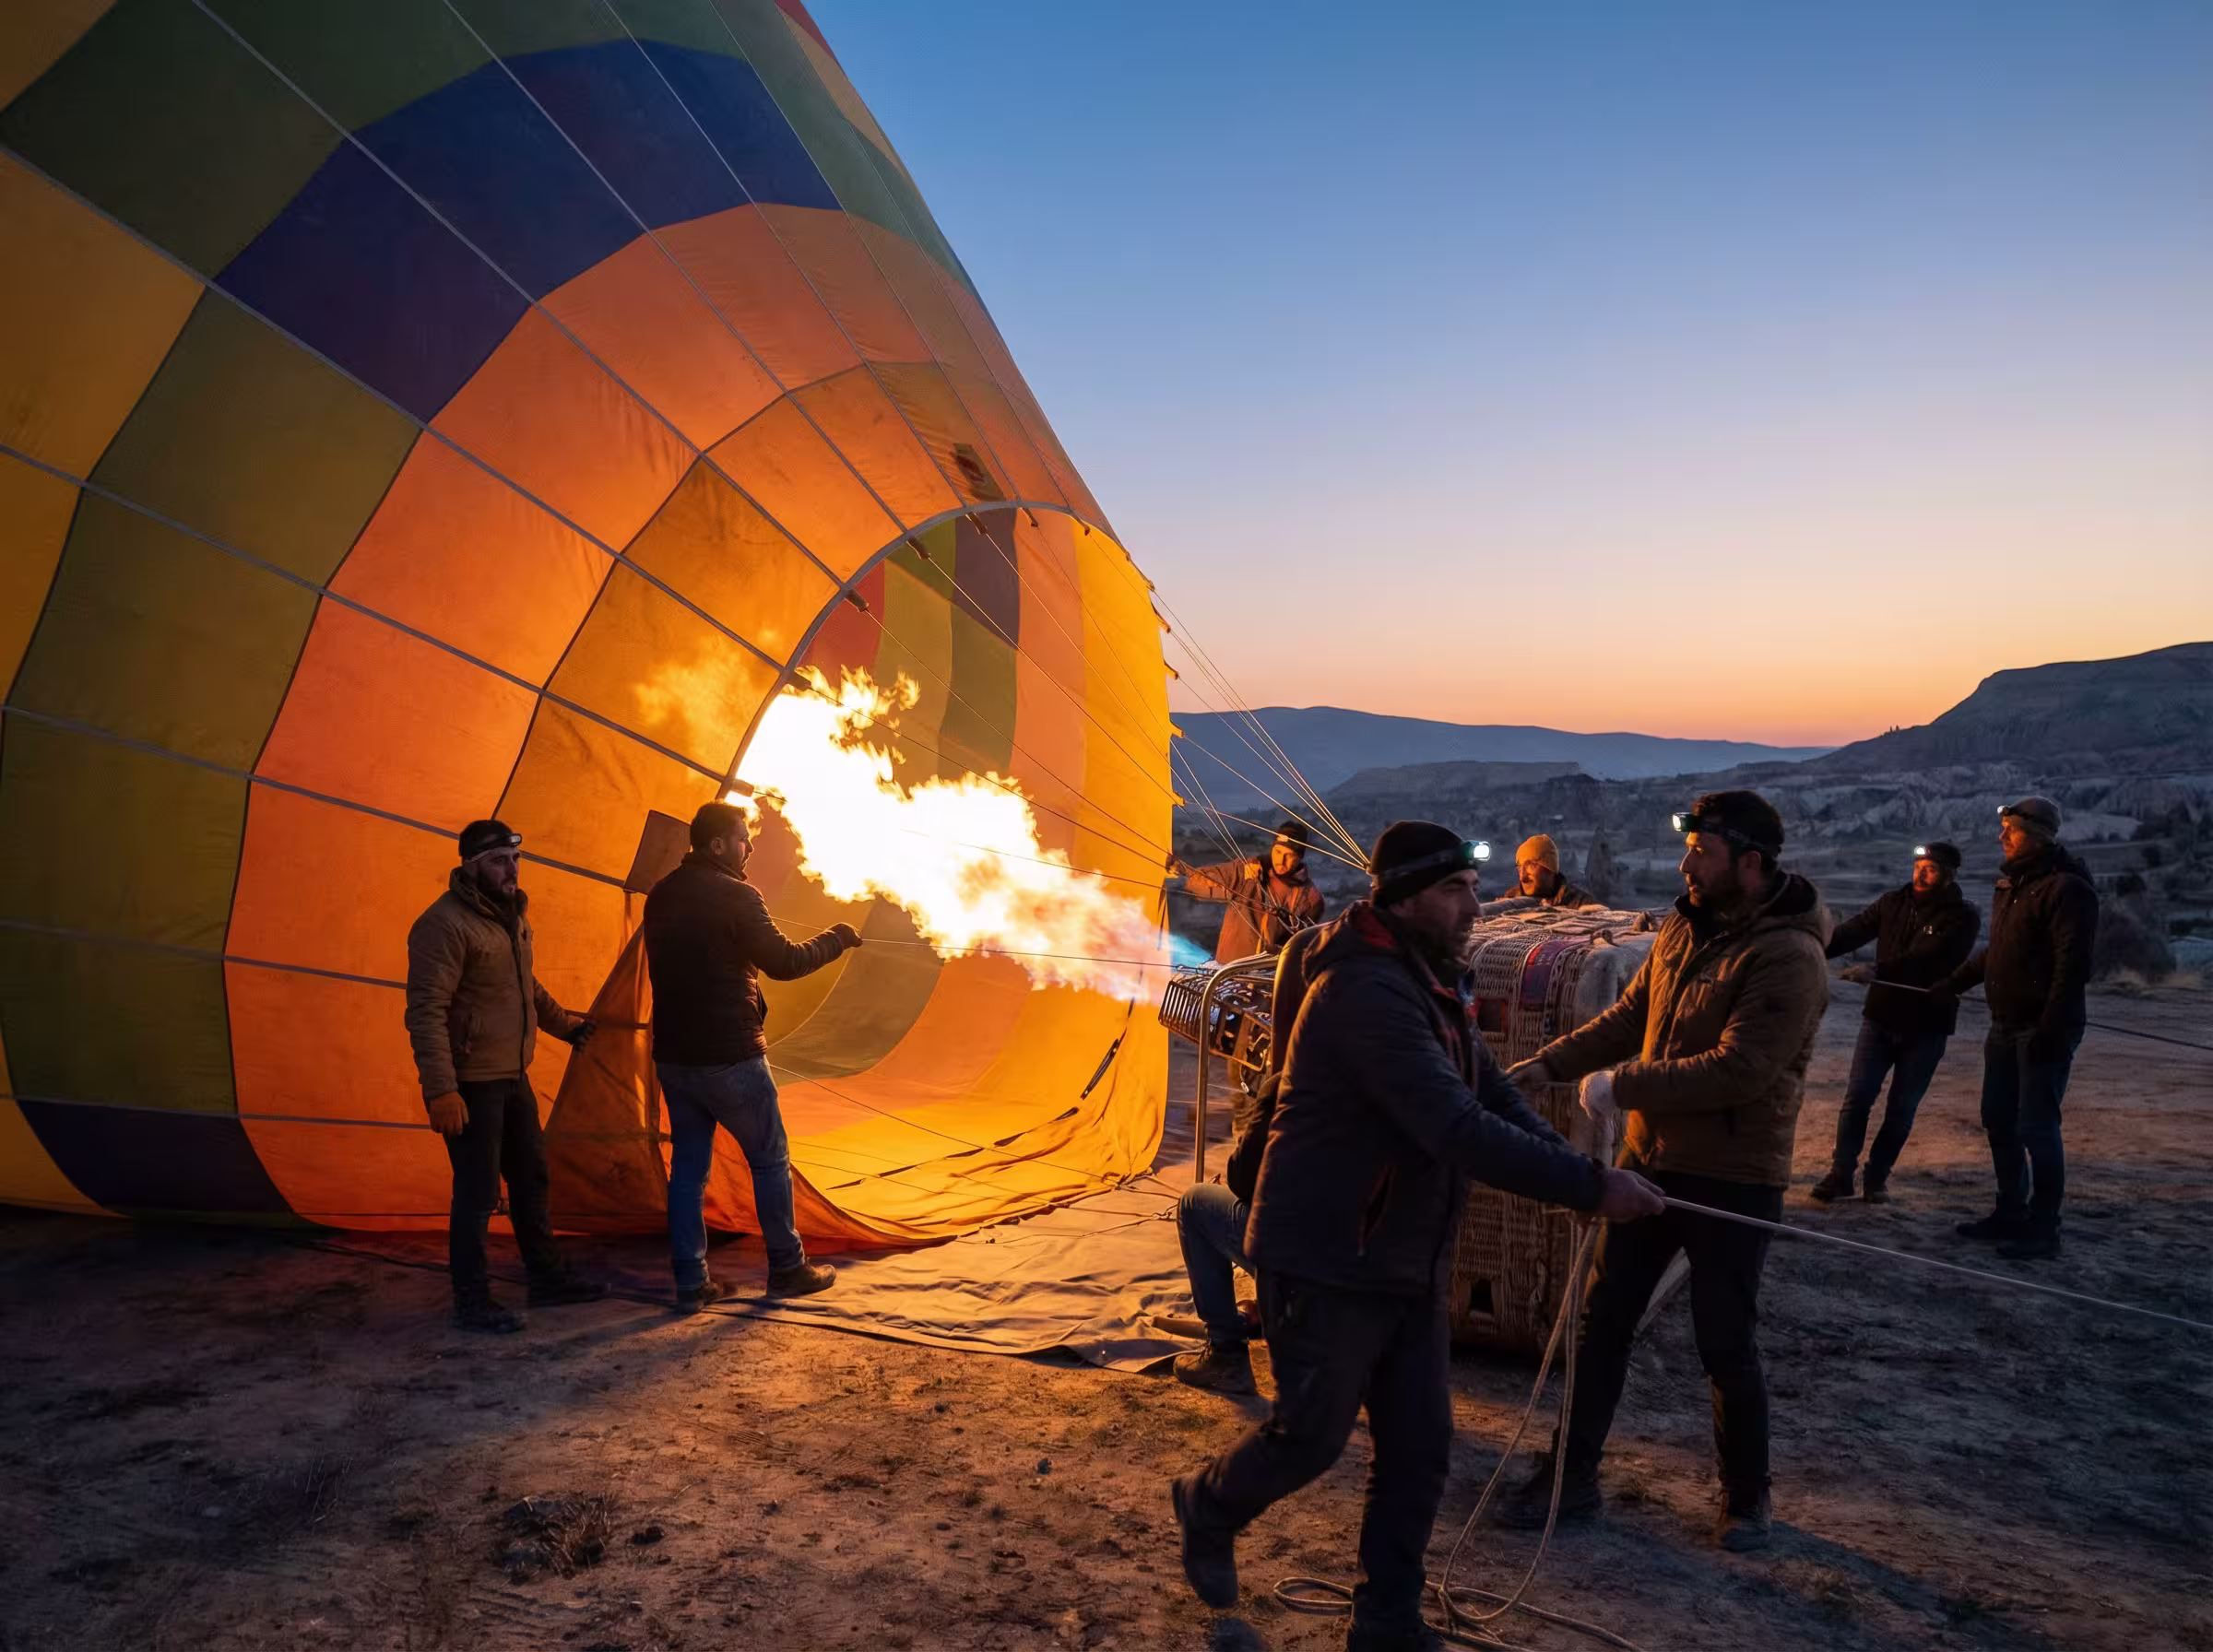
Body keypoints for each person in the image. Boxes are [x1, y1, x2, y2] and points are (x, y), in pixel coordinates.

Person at [1169, 821, 1665, 1645]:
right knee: (1312, 1437)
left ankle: (1387, 1623)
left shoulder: (1428, 977)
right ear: (1402, 898)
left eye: (1472, 887)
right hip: (1329, 1251)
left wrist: (1576, 1165)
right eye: (1454, 890)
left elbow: (1485, 1094)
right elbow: (1453, 1125)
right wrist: (1587, 1189)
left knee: (1418, 1450)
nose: (1474, 903)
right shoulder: (1363, 992)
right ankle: (1210, 1503)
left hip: (1405, 1253)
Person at [1498, 790, 1828, 1552]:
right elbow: (1632, 1016)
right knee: (1599, 1324)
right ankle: (1571, 1478)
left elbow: (1742, 1068)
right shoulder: (1683, 925)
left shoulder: (1790, 956)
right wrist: (1551, 1064)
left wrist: (1626, 1086)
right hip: (1650, 1160)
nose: (1687, 864)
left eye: (1702, 852)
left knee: (1724, 1341)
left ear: (1750, 863)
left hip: (1732, 1174)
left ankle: (1747, 1499)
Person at [643, 801, 862, 1307]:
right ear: (718, 844)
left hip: (675, 1058)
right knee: (769, 1160)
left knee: (688, 1173)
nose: (750, 847)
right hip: (731, 1056)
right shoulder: (739, 896)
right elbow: (783, 962)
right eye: (744, 838)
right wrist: (837, 939)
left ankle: (691, 1280)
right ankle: (787, 1267)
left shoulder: (661, 895)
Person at [405, 820, 606, 1334]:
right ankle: (471, 1300)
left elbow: (525, 985)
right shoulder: (444, 925)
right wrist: (442, 1091)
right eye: (498, 861)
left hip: (512, 1074)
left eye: (515, 860)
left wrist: (566, 1026)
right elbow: (426, 1011)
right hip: (472, 1082)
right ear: (470, 867)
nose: (511, 870)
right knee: (476, 1191)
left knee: (531, 1177)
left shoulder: (509, 918)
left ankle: (547, 1277)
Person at [1935, 797, 2098, 1261]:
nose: (2002, 837)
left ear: (2040, 834)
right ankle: (2010, 1210)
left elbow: (2073, 965)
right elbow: (1998, 952)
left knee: (2037, 1128)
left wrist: (2052, 1026)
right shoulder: (2012, 885)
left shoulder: (2067, 889)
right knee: (1998, 1119)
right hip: (2004, 1025)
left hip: (2041, 1029)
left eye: (2012, 830)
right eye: (2003, 829)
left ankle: (2044, 1229)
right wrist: (1952, 983)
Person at [1170, 924, 1327, 1396]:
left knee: (1198, 1203)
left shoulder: (1290, 1083)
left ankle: (1226, 1353)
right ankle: (1269, 1303)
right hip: (1365, 1265)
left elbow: (1243, 1181)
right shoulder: (1382, 1067)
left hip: (1308, 1262)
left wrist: (1265, 1096)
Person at [1810, 842, 1980, 1204]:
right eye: (1918, 865)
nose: (1921, 873)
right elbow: (1851, 932)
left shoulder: (1963, 916)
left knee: (1901, 1108)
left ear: (1950, 874)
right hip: (1880, 1019)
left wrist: (1878, 970)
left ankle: (1877, 1178)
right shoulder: (1892, 902)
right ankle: (1841, 1175)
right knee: (1857, 1099)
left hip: (1927, 1026)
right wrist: (1807, 947)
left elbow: (1931, 959)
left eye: (1931, 868)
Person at [1175, 820, 1325, 960]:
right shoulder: (1247, 870)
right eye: (1278, 852)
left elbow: (1302, 947)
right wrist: (1180, 870)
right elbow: (1203, 881)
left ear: (1300, 857)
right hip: (1229, 971)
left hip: (1267, 977)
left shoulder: (1311, 899)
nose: (1280, 860)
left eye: (1289, 855)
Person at [1514, 834, 1599, 908]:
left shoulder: (1585, 905)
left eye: (1531, 866)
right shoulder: (1509, 901)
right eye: (1520, 868)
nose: (1522, 877)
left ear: (1550, 868)